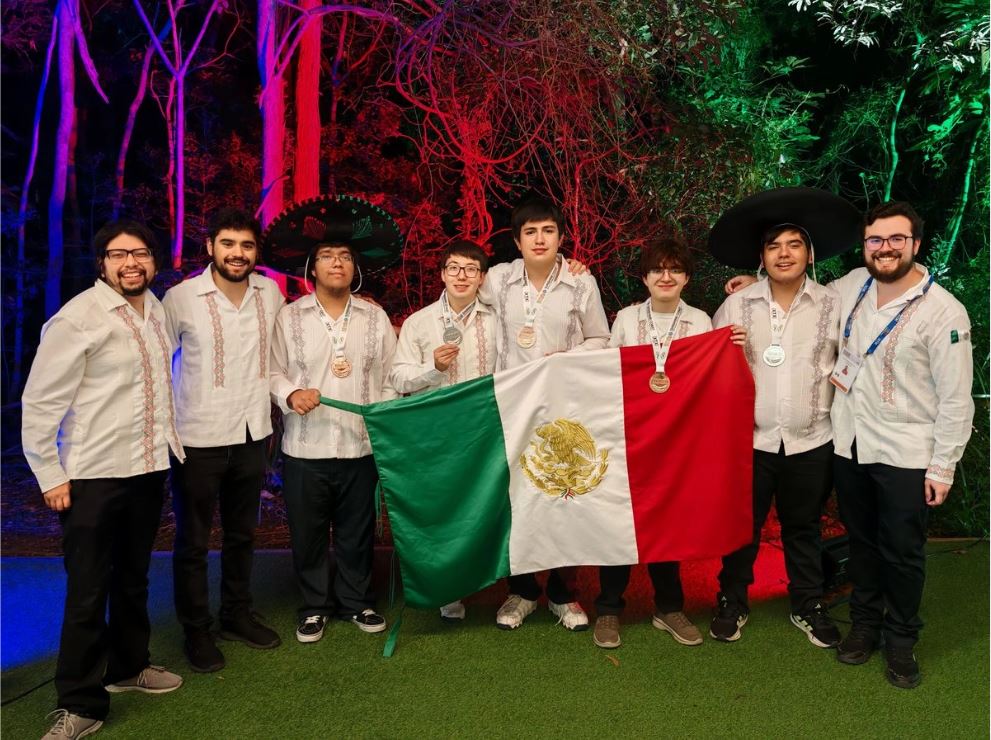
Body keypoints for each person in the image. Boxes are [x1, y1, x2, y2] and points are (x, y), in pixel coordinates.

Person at [22, 221, 184, 740]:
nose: (131, 263)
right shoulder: (77, 319)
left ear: (153, 260)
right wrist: (50, 474)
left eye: (141, 253)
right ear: (102, 264)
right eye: (118, 254)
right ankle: (80, 702)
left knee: (133, 578)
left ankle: (129, 666)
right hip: (91, 475)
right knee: (88, 590)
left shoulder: (154, 310)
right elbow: (40, 402)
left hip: (147, 467)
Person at [707, 187, 861, 648]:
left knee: (804, 527)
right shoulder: (736, 304)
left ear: (809, 254)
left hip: (811, 439)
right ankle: (732, 599)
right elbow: (709, 366)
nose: (784, 253)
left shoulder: (833, 304)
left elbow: (852, 359)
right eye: (774, 246)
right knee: (742, 526)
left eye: (794, 244)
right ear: (762, 256)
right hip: (749, 441)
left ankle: (807, 604)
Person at [827, 202, 974, 688]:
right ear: (864, 244)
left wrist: (943, 466)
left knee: (902, 551)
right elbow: (804, 299)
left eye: (896, 239)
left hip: (906, 452)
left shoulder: (944, 311)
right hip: (850, 443)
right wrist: (754, 284)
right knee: (862, 543)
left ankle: (902, 638)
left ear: (915, 243)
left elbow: (956, 398)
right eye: (875, 239)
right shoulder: (852, 285)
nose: (885, 248)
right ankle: (864, 624)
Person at [594, 235, 746, 650]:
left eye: (675, 269)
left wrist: (732, 347)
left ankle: (669, 607)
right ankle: (608, 608)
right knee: (617, 522)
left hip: (679, 441)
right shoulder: (627, 319)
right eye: (657, 269)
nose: (666, 276)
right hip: (630, 438)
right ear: (644, 277)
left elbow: (712, 379)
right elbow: (609, 374)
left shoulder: (700, 321)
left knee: (669, 523)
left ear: (686, 278)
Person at [267, 196, 400, 643]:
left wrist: (380, 416)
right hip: (305, 448)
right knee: (307, 534)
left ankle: (357, 602)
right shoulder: (290, 317)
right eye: (327, 256)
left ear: (355, 267)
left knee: (356, 532)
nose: (337, 263)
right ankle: (313, 607)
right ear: (313, 267)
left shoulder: (374, 316)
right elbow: (273, 372)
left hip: (360, 446)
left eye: (345, 256)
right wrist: (291, 394)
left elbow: (389, 376)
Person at [481, 197, 611, 631]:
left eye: (548, 231)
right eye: (530, 232)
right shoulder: (498, 279)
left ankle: (562, 593)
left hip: (564, 407)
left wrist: (567, 358)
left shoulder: (581, 282)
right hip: (511, 407)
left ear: (561, 237)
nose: (540, 239)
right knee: (517, 498)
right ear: (517, 241)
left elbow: (601, 338)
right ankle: (521, 592)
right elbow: (457, 291)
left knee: (564, 495)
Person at [163, 208, 285, 673]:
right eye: (228, 244)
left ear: (256, 251)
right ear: (210, 246)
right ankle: (196, 630)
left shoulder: (269, 293)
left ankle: (236, 614)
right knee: (193, 540)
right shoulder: (181, 298)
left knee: (242, 534)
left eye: (247, 245)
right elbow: (157, 361)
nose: (238, 253)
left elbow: (277, 356)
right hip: (197, 436)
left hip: (252, 431)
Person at [389, 240, 497, 622]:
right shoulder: (420, 322)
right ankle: (447, 588)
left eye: (471, 269)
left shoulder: (497, 320)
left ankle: (484, 579)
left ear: (482, 278)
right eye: (454, 267)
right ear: (442, 274)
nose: (461, 276)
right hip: (436, 432)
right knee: (443, 509)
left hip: (484, 430)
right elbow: (398, 377)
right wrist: (432, 369)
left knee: (481, 507)